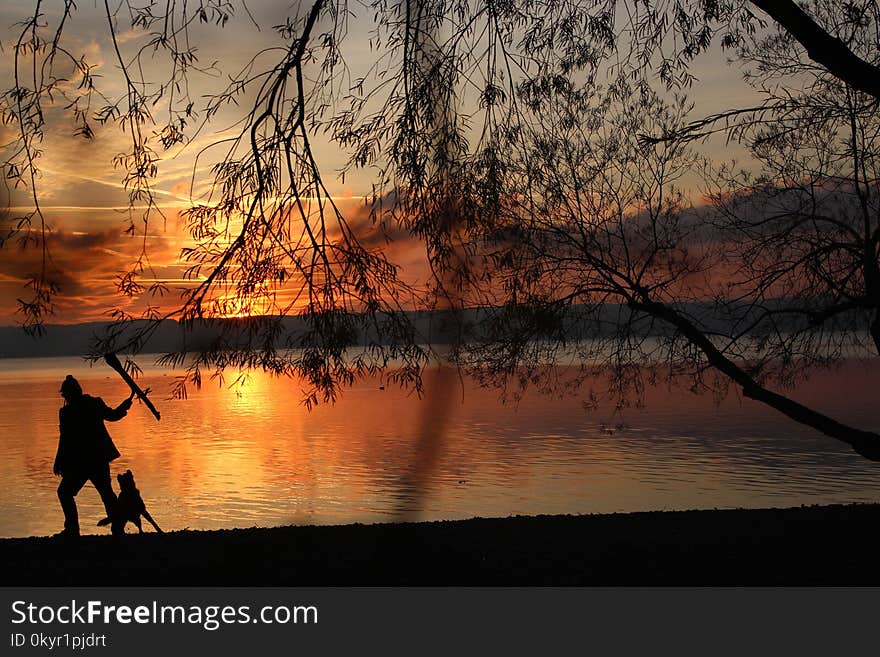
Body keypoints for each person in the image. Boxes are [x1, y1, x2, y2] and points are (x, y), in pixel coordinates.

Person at [53, 375, 133, 538]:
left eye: (66, 395)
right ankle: (115, 529)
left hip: (82, 462)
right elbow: (113, 415)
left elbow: (64, 439)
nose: (66, 398)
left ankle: (73, 530)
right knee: (105, 494)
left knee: (67, 493)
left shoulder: (68, 411)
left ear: (67, 395)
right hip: (93, 459)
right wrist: (124, 407)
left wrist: (59, 461)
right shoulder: (91, 404)